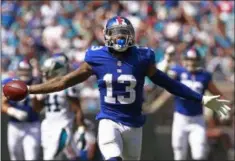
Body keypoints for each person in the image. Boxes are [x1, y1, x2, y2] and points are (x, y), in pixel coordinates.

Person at [21, 16, 230, 161]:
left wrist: (202, 99)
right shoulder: (97, 57)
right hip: (108, 119)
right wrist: (31, 89)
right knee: (113, 157)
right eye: (115, 33)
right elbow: (64, 81)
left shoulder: (141, 57)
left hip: (134, 125)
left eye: (123, 33)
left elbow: (168, 82)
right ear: (106, 35)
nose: (119, 37)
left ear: (131, 36)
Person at [157, 47, 230, 160]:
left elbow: (217, 93)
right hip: (180, 119)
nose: (192, 62)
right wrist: (167, 60)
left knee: (199, 154)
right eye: (189, 59)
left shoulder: (204, 76)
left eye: (194, 59)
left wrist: (225, 109)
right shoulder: (178, 72)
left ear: (198, 60)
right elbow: (160, 73)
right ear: (184, 59)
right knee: (179, 155)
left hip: (197, 120)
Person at [32, 55, 86, 160]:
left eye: (47, 71)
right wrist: (35, 96)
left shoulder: (67, 88)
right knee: (74, 155)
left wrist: (81, 129)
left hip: (63, 127)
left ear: (56, 72)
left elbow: (77, 109)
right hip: (48, 127)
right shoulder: (44, 87)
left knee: (51, 157)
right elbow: (37, 109)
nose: (44, 74)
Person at [1, 60, 41, 160]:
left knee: (31, 156)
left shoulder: (37, 83)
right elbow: (1, 104)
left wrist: (34, 96)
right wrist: (13, 112)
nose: (24, 73)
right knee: (15, 155)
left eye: (27, 70)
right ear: (18, 71)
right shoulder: (9, 83)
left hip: (32, 124)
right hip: (15, 125)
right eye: (22, 70)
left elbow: (39, 108)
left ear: (31, 70)